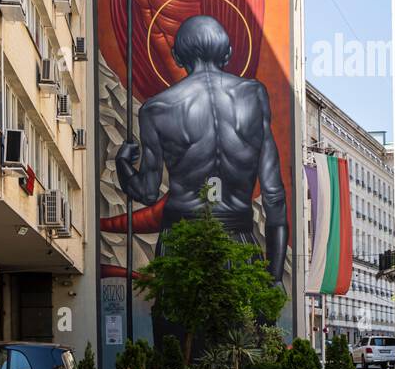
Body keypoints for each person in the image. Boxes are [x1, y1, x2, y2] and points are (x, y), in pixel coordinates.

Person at [115, 15, 288, 279]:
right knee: (245, 319)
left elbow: (148, 193)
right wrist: (274, 278)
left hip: (180, 243)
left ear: (176, 56)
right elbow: (274, 194)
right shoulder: (254, 95)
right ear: (228, 53)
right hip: (239, 241)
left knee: (177, 319)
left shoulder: (156, 109)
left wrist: (123, 164)